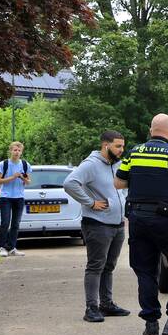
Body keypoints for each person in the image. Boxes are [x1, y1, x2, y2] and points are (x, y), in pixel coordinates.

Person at [114, 114, 168, 335]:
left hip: (138, 220)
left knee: (146, 271)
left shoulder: (135, 153)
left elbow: (118, 182)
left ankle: (151, 325)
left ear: (151, 131)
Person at [64, 131, 130, 322]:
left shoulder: (116, 164)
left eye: (123, 146)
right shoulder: (91, 164)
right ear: (105, 145)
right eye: (118, 146)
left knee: (109, 266)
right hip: (97, 224)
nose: (121, 150)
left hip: (117, 224)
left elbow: (121, 188)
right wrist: (90, 203)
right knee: (96, 266)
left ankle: (106, 304)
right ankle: (91, 308)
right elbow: (69, 183)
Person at [0, 141, 31, 257]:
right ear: (10, 151)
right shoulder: (3, 164)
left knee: (16, 224)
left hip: (19, 198)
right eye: (15, 150)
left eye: (19, 150)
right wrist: (12, 177)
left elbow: (28, 182)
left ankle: (12, 248)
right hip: (5, 197)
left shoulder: (25, 165)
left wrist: (22, 177)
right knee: (5, 223)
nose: (17, 152)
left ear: (21, 152)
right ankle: (2, 247)